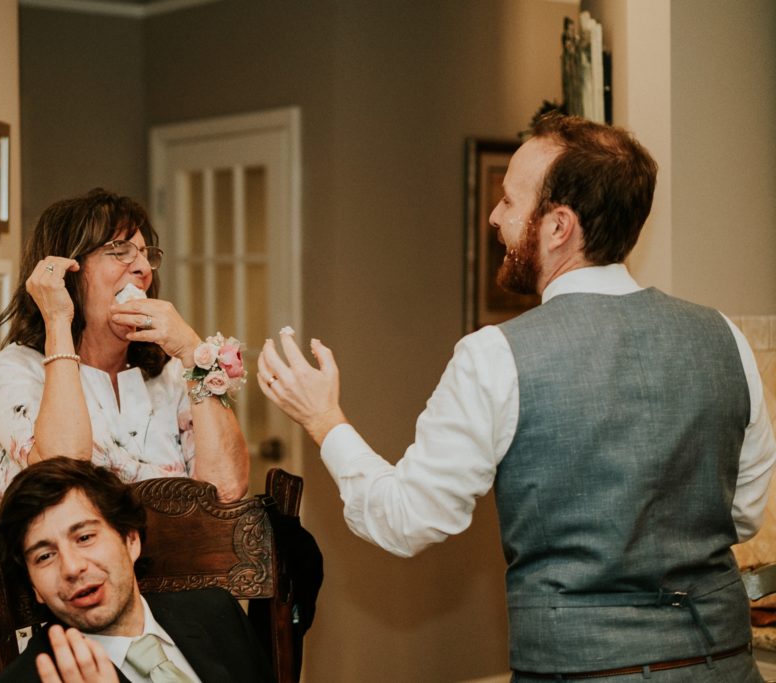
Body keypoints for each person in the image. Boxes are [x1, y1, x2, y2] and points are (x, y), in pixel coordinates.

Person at [257, 113, 776, 681]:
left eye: (509, 201)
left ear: (558, 226)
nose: (494, 217)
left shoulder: (495, 355)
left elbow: (406, 519)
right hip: (723, 664)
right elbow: (742, 515)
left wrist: (324, 419)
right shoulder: (725, 338)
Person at [0, 188, 251, 683]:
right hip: (52, 631)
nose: (142, 269)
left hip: (166, 623)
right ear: (69, 272)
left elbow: (225, 495)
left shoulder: (169, 378)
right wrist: (59, 323)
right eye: (118, 252)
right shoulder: (18, 371)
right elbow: (61, 471)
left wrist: (193, 353)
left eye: (145, 253)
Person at [0, 456, 275, 683]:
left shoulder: (215, 612)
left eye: (85, 537)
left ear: (130, 539)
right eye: (44, 556)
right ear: (34, 588)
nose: (71, 567)